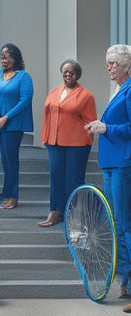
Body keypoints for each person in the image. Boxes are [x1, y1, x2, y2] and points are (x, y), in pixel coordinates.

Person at [85, 44, 131, 306]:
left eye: (114, 63)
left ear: (126, 65)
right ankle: (125, 280)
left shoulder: (130, 89)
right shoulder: (118, 90)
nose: (109, 67)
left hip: (124, 161)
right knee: (117, 224)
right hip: (112, 162)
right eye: (108, 63)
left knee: (126, 224)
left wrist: (106, 128)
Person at [39, 59, 97, 228]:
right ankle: (55, 212)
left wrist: (87, 142)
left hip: (77, 144)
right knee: (56, 177)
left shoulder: (86, 95)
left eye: (71, 72)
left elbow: (91, 122)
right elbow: (46, 116)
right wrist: (45, 138)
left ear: (77, 75)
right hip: (54, 142)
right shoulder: (54, 92)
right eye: (65, 72)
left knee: (73, 180)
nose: (68, 74)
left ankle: (74, 215)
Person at [0, 43, 34, 210]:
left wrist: (7, 117)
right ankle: (5, 194)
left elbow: (25, 99)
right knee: (4, 161)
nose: (3, 60)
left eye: (7, 57)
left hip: (13, 125)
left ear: (15, 58)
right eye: (1, 57)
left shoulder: (23, 76)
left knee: (11, 160)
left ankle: (12, 196)